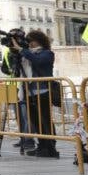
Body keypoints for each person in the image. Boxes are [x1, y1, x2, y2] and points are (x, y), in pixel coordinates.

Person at [12, 30, 58, 159]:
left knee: (45, 119)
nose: (30, 43)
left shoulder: (47, 53)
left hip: (42, 91)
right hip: (28, 91)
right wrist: (16, 53)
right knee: (35, 121)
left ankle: (50, 146)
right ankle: (42, 145)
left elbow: (38, 61)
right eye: (28, 41)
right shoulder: (26, 54)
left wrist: (22, 50)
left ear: (39, 41)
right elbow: (16, 70)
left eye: (32, 40)